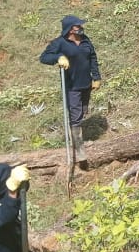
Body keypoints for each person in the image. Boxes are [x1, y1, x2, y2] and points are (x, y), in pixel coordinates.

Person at [39, 15, 101, 164]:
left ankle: (78, 132)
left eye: (80, 26)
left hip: (86, 84)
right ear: (70, 29)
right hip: (72, 86)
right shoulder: (60, 43)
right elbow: (44, 57)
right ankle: (80, 151)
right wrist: (58, 57)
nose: (80, 28)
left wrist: (96, 77)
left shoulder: (85, 40)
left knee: (83, 110)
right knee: (75, 116)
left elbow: (92, 57)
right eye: (77, 26)